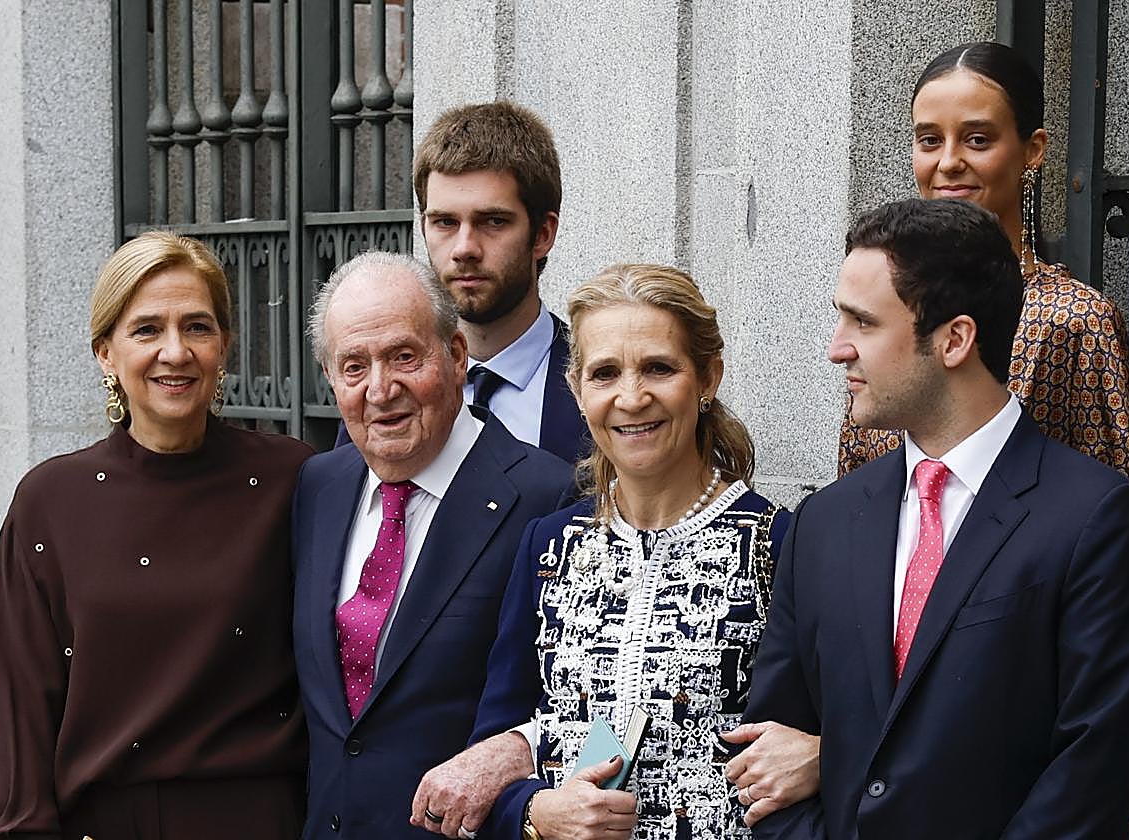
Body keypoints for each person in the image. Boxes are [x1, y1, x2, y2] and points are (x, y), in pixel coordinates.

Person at [745, 198, 1129, 839]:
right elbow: (770, 757)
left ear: (954, 339)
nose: (837, 350)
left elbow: (1092, 771)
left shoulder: (1097, 523)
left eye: (862, 322)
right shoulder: (822, 525)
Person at [440, 263, 792, 840]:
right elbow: (498, 744)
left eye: (659, 367)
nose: (632, 397)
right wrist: (534, 814)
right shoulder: (548, 544)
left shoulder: (778, 543)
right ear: (576, 390)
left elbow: (812, 747)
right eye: (605, 374)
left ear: (708, 378)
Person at [0, 231, 313, 838]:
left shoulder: (294, 480)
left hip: (262, 821)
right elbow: (23, 712)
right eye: (146, 330)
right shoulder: (50, 504)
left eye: (197, 327)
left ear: (225, 345)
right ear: (105, 353)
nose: (175, 351)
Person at [291, 250, 574, 839]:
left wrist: (517, 754)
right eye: (353, 366)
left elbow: (590, 702)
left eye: (403, 356)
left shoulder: (550, 499)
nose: (380, 388)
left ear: (455, 356)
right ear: (330, 380)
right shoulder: (319, 487)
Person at [839, 41, 1129, 498]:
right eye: (930, 139)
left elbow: (1121, 514)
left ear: (1033, 150)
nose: (948, 162)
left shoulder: (1074, 320)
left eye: (977, 139)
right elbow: (853, 489)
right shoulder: (883, 301)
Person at [335, 101, 587, 465]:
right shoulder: (379, 394)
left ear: (543, 233)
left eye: (494, 222)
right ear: (423, 228)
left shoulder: (598, 387)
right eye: (445, 223)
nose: (464, 248)